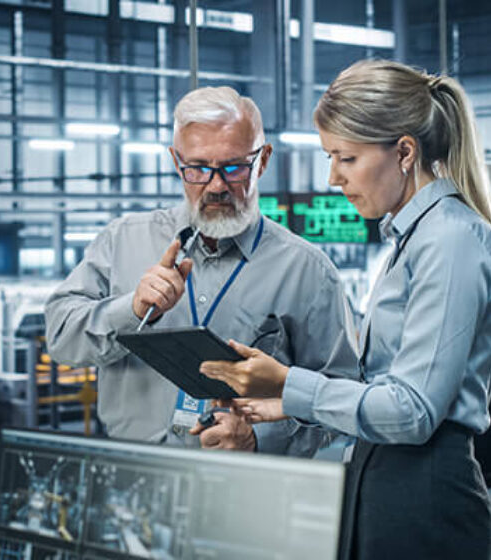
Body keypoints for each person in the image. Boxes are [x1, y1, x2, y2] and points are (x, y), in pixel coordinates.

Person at [200, 59, 491, 559]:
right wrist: (285, 404)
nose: (333, 177)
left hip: (425, 498)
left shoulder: (449, 240)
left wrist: (288, 384)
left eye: (345, 158)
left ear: (404, 151)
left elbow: (413, 411)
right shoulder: (413, 240)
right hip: (384, 483)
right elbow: (389, 391)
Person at [45, 86, 358, 456]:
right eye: (197, 169)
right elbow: (61, 336)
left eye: (233, 167)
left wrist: (261, 438)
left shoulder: (308, 271)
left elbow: (343, 399)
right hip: (136, 477)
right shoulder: (121, 241)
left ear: (263, 160)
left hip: (246, 483)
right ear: (177, 162)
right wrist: (130, 310)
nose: (216, 186)